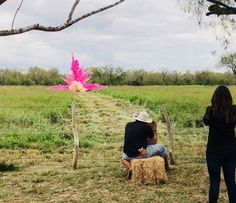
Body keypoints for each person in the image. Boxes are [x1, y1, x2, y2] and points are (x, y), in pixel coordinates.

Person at [203, 85, 236, 203]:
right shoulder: (234, 110)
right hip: (231, 150)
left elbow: (205, 122)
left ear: (215, 97)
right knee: (231, 181)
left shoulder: (210, 110)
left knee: (214, 182)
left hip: (213, 150)